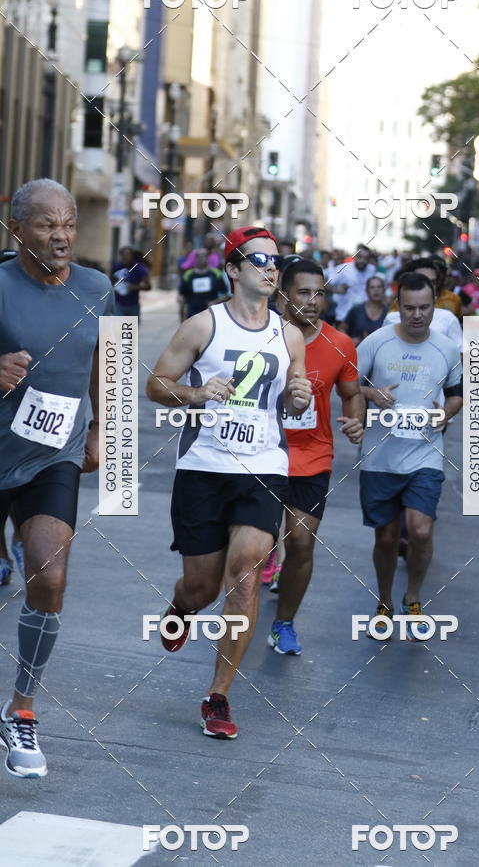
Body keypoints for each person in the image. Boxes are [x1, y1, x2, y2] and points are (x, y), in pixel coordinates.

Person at [146, 225, 312, 739]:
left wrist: (299, 398)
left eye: (276, 261)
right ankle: (184, 603)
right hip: (204, 468)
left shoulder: (289, 335)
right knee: (203, 586)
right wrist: (196, 396)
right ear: (233, 269)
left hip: (262, 467)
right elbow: (155, 384)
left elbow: (293, 396)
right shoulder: (203, 327)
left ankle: (218, 695)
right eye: (259, 260)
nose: (271, 268)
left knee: (246, 572)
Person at [0, 178, 113, 777]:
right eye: (47, 224)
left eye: (67, 222)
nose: (62, 234)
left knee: (49, 575)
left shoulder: (98, 289)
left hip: (52, 456)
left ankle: (22, 709)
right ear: (17, 230)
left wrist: (100, 436)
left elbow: (109, 366)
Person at [267, 259, 364, 653]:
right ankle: (241, 612)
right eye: (304, 292)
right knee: (254, 548)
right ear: (283, 294)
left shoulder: (340, 344)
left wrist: (355, 422)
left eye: (319, 293)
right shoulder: (263, 336)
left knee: (302, 543)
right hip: (261, 452)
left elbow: (353, 394)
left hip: (313, 455)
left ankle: (284, 623)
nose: (312, 301)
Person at [357, 272, 463, 635]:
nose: (417, 315)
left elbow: (456, 393)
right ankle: (385, 602)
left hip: (425, 453)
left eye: (425, 308)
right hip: (380, 455)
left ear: (435, 306)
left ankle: (413, 596)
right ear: (396, 306)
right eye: (409, 308)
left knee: (420, 530)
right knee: (386, 537)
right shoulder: (375, 343)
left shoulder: (447, 349)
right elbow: (350, 386)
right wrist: (371, 395)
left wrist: (446, 413)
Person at [384, 259, 463, 353]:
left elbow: (461, 355)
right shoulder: (392, 317)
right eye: (421, 281)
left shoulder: (449, 316)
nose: (427, 286)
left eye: (432, 282)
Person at [329, 245, 376, 325]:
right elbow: (325, 284)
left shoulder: (372, 269)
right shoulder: (343, 268)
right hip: (344, 317)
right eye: (360, 257)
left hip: (364, 317)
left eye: (366, 258)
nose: (362, 261)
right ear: (355, 256)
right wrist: (336, 290)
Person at [177, 247, 228, 321]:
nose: (201, 258)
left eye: (204, 255)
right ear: (195, 258)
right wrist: (181, 313)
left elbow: (226, 294)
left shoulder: (216, 274)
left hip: (211, 315)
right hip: (192, 315)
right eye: (198, 256)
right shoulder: (188, 275)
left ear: (207, 258)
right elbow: (182, 295)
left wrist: (215, 302)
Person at [340, 275, 388, 344]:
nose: (376, 290)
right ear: (367, 291)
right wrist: (349, 341)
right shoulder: (356, 310)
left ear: (384, 290)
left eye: (379, 287)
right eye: (372, 287)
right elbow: (341, 328)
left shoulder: (388, 313)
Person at [111, 246, 151, 318]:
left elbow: (148, 286)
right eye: (122, 254)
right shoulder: (116, 267)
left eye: (127, 254)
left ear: (132, 256)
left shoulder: (139, 268)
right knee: (118, 327)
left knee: (130, 329)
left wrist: (134, 287)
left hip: (133, 305)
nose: (125, 257)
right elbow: (110, 282)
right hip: (118, 304)